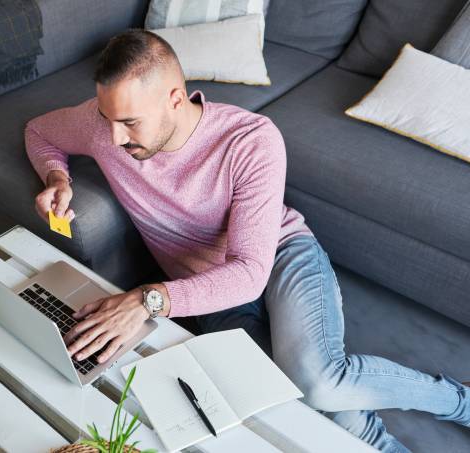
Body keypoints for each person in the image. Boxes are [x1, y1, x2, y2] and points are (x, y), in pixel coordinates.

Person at [23, 29, 469, 452]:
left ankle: (459, 401)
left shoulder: (250, 139)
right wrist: (57, 177)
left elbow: (250, 273)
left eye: (130, 123)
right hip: (209, 292)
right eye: (108, 119)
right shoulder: (105, 126)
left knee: (317, 381)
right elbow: (39, 131)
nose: (114, 137)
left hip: (279, 258)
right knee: (290, 399)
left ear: (175, 100)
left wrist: (146, 300)